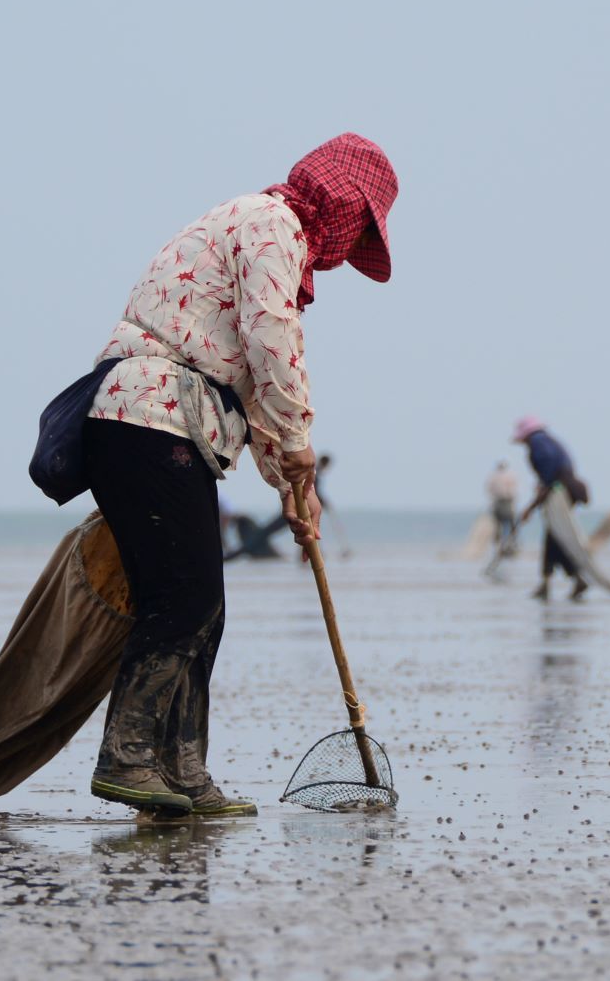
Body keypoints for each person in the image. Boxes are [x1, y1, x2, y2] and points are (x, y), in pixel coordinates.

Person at [79, 133, 397, 819]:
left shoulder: (260, 229)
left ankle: (183, 773)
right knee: (183, 599)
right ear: (342, 203)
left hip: (167, 424)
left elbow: (249, 389)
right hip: (146, 419)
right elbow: (272, 338)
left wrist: (291, 489)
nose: (346, 251)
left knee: (204, 608)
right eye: (359, 228)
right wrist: (303, 444)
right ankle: (128, 760)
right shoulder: (272, 226)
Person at [513, 417, 592, 601]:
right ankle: (557, 582)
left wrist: (532, 506)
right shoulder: (549, 441)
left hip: (558, 493)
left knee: (556, 538)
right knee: (555, 538)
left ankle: (567, 580)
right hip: (562, 491)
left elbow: (550, 476)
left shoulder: (538, 443)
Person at [486, 460, 519, 557]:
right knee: (507, 525)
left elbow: (489, 489)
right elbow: (514, 491)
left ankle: (501, 546)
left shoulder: (493, 476)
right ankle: (507, 545)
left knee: (499, 526)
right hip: (506, 503)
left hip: (499, 503)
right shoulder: (511, 475)